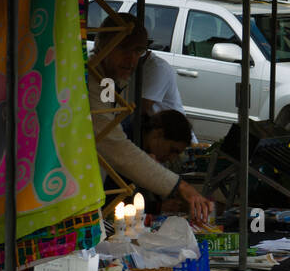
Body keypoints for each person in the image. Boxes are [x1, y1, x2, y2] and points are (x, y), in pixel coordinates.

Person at [89, 14, 210, 223]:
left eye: (138, 51)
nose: (132, 59)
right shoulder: (94, 82)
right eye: (123, 48)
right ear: (103, 45)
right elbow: (115, 146)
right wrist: (178, 186)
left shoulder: (108, 82)